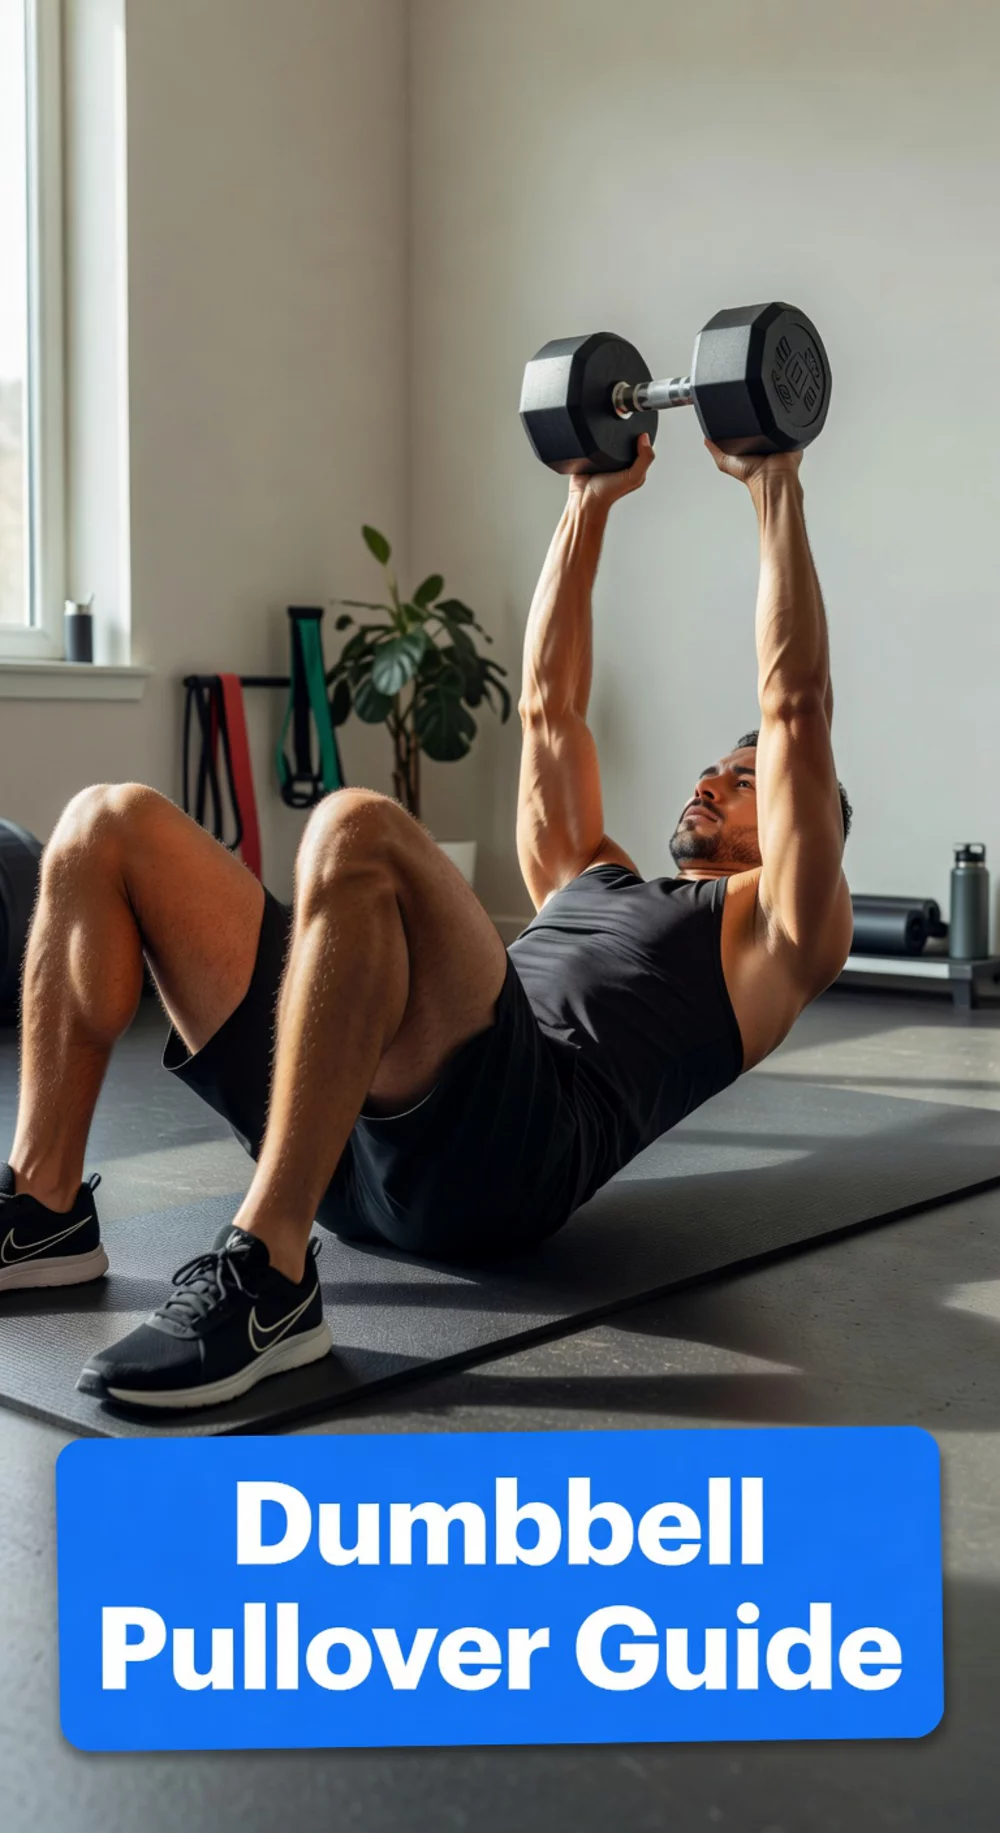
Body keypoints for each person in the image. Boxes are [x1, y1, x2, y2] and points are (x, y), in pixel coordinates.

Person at [0, 435, 852, 1410]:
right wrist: (588, 498)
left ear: (806, 820)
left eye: (742, 782)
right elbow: (547, 710)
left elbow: (793, 707)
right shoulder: (590, 873)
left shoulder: (780, 936)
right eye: (713, 767)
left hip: (498, 1161)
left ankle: (270, 1277)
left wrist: (773, 484)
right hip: (343, 1118)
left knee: (354, 826)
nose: (711, 779)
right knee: (104, 824)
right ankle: (43, 1210)